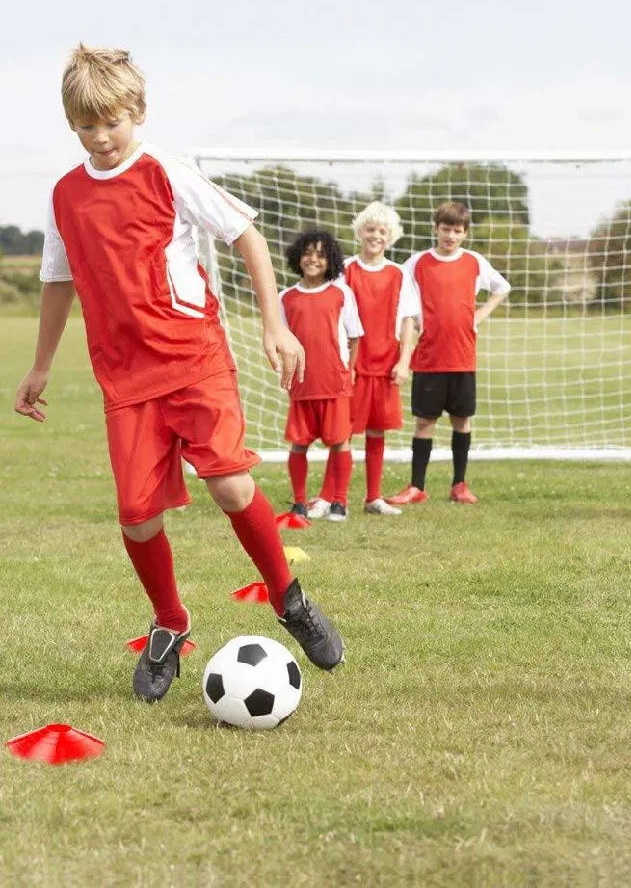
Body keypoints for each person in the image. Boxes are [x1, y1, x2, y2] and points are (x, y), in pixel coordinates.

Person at [13, 45, 345, 703]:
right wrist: (41, 364)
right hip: (124, 379)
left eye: (112, 121)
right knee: (136, 515)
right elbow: (57, 279)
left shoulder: (167, 171)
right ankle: (170, 622)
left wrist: (274, 325)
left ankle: (289, 597)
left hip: (194, 360)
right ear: (72, 125)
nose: (102, 136)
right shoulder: (65, 196)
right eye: (87, 125)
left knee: (229, 482)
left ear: (137, 112)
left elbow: (246, 236)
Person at [386, 201, 511, 505]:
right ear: (436, 228)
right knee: (425, 422)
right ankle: (416, 487)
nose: (450, 236)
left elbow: (502, 287)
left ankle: (459, 485)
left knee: (461, 420)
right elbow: (403, 302)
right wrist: (410, 328)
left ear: (465, 233)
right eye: (446, 229)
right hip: (429, 356)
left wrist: (480, 314)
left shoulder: (474, 262)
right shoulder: (417, 263)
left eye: (457, 231)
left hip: (463, 356)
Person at [308, 202, 418, 517]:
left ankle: (373, 498)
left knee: (376, 431)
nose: (376, 236)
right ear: (361, 232)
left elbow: (408, 320)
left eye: (382, 231)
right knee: (340, 432)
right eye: (370, 229)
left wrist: (404, 360)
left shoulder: (398, 274)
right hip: (351, 364)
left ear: (391, 236)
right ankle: (329, 498)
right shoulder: (344, 270)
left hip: (385, 364)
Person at [279, 230, 362, 523]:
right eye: (308, 253)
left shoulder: (341, 294)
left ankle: (340, 502)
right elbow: (281, 342)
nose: (313, 259)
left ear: (331, 261)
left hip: (334, 382)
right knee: (299, 443)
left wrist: (347, 371)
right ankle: (299, 503)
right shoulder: (285, 298)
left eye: (321, 254)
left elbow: (354, 338)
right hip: (302, 383)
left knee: (340, 441)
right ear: (298, 256)